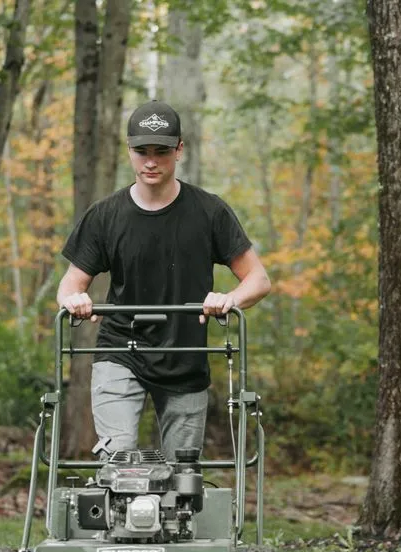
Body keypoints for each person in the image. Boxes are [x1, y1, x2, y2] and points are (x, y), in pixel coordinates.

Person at [57, 100, 271, 461]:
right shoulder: (105, 215)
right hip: (120, 350)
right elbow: (70, 284)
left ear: (179, 150)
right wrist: (73, 299)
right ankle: (117, 497)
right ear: (129, 150)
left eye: (161, 151)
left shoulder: (209, 211)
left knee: (182, 474)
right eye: (142, 152)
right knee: (118, 460)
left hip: (186, 356)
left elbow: (258, 279)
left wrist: (229, 298)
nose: (151, 161)